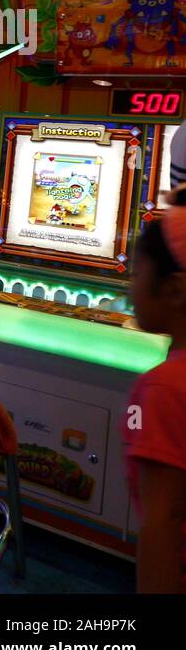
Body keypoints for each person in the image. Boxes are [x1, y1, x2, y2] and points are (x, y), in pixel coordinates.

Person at [124, 185, 186, 592]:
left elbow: (163, 524)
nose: (129, 289)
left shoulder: (164, 388)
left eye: (136, 272)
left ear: (174, 288)